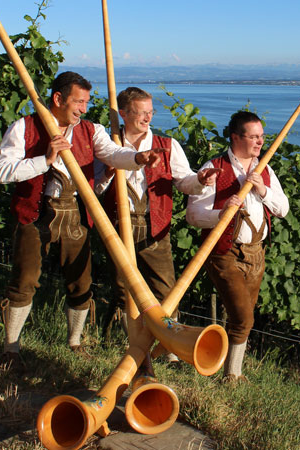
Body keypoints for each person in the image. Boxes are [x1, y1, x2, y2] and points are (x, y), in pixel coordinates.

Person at [0, 72, 164, 369]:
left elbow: (113, 153)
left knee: (80, 282)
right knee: (24, 281)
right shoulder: (25, 126)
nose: (84, 108)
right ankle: (11, 348)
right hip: (35, 214)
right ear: (58, 99)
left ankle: (74, 342)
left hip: (76, 215)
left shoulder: (90, 130)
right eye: (79, 101)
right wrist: (44, 161)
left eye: (86, 102)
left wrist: (137, 158)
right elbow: (2, 172)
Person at [95, 87, 220, 363]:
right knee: (122, 288)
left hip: (155, 227)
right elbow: (94, 189)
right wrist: (106, 172)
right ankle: (125, 346)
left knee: (166, 288)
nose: (148, 118)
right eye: (142, 113)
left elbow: (184, 182)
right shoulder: (106, 144)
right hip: (118, 226)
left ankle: (170, 350)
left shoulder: (168, 146)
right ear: (124, 113)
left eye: (151, 112)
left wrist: (201, 180)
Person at [186, 111, 289, 382]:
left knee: (242, 316)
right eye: (253, 136)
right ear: (235, 137)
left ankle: (228, 370)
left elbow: (283, 209)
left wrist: (262, 191)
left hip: (257, 253)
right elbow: (193, 215)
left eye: (262, 136)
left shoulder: (264, 168)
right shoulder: (215, 166)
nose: (260, 142)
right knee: (243, 316)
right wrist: (221, 214)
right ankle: (233, 375)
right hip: (224, 253)